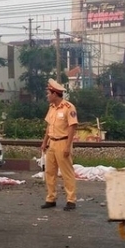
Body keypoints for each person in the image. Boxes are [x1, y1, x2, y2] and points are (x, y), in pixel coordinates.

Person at [40, 79, 78, 211]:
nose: (47, 96)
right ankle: (51, 199)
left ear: (55, 94)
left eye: (48, 93)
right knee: (50, 172)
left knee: (67, 173)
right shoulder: (51, 108)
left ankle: (71, 200)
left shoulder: (69, 107)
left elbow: (72, 127)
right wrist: (44, 142)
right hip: (52, 143)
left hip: (63, 142)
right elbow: (49, 126)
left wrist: (68, 146)